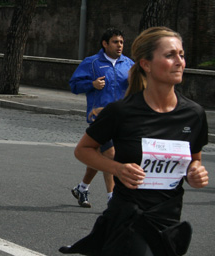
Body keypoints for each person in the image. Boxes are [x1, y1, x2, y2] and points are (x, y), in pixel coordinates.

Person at [60, 27, 209, 256]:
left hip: (167, 219)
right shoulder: (121, 112)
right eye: (170, 55)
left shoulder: (194, 114)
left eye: (181, 54)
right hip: (129, 218)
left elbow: (194, 159)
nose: (179, 61)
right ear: (146, 64)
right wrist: (118, 168)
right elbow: (83, 150)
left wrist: (195, 172)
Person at [68, 28, 134, 207]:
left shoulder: (129, 64)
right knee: (111, 154)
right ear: (105, 44)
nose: (119, 45)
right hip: (100, 117)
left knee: (99, 155)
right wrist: (91, 84)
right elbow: (74, 85)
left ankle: (82, 188)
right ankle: (112, 198)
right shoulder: (92, 62)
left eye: (121, 42)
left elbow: (139, 87)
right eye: (115, 42)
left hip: (122, 118)